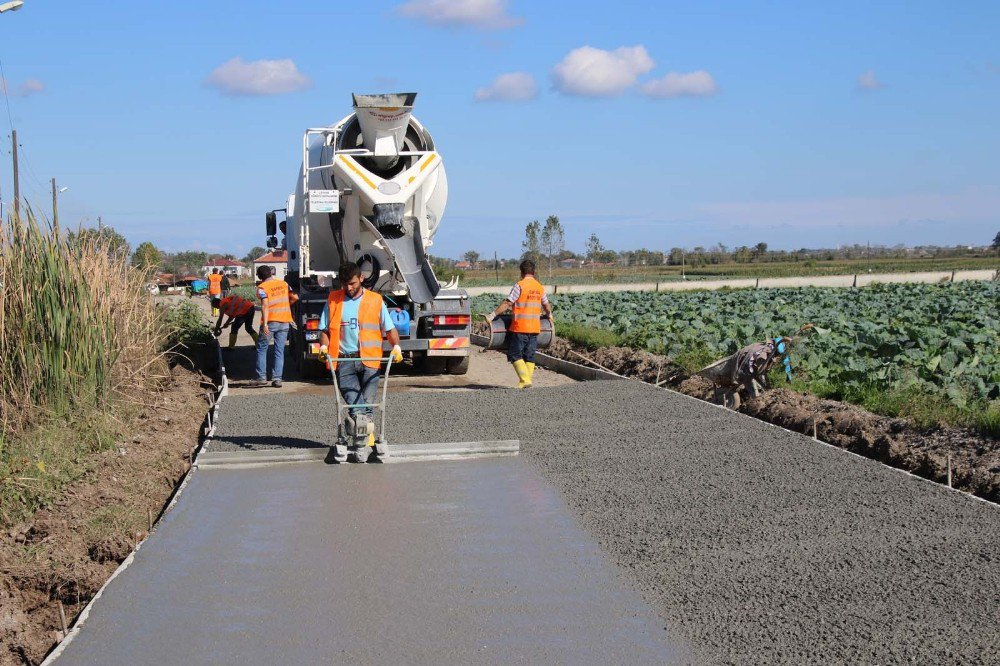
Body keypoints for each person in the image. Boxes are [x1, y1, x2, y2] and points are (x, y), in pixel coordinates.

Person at [318, 262, 403, 458]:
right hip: (344, 360)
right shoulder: (333, 300)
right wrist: (323, 346)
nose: (349, 288)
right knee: (356, 405)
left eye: (353, 283)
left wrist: (396, 346)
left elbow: (389, 329)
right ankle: (362, 444)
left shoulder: (375, 300)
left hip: (370, 360)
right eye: (345, 284)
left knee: (369, 404)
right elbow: (324, 330)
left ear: (361, 279)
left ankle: (364, 442)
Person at [485, 259, 553, 389]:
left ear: (522, 272)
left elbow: (508, 303)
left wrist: (492, 315)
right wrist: (549, 315)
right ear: (533, 272)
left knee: (515, 354)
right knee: (529, 355)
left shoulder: (520, 285)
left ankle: (525, 380)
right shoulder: (539, 287)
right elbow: (546, 305)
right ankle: (525, 381)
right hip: (534, 328)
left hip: (520, 327)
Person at [252, 266, 297, 388]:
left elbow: (265, 306)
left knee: (262, 349)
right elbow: (295, 298)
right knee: (279, 351)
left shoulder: (262, 288)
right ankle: (277, 379)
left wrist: (265, 324)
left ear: (260, 277)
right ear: (271, 273)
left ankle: (261, 378)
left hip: (270, 322)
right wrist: (287, 306)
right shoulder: (284, 284)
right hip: (284, 322)